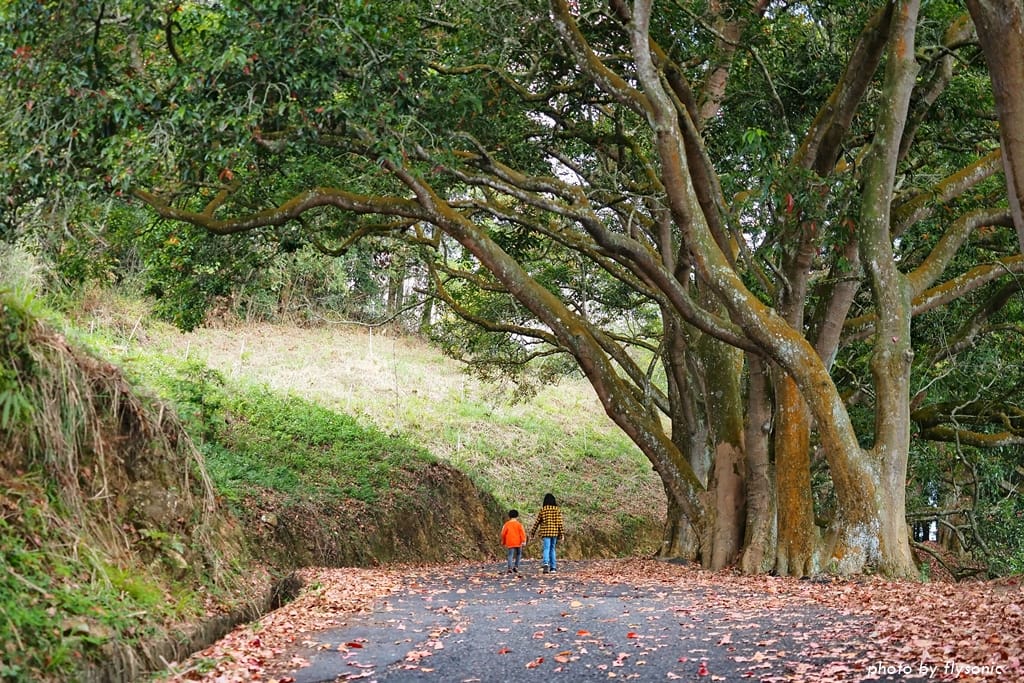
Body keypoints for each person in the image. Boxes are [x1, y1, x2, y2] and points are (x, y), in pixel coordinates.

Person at [529, 493, 564, 573]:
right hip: (554, 532)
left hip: (545, 532)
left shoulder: (543, 509)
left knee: (546, 548)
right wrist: (561, 534)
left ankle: (545, 563)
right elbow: (560, 523)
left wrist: (532, 533)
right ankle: (553, 568)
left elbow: (537, 522)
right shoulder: (557, 510)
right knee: (552, 549)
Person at [500, 509, 527, 574]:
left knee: (510, 555)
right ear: (517, 516)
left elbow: (503, 533)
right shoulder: (519, 524)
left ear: (509, 516)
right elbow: (522, 533)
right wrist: (524, 541)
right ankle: (516, 566)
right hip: (518, 542)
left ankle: (509, 568)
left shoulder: (506, 524)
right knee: (518, 554)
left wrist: (503, 541)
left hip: (510, 542)